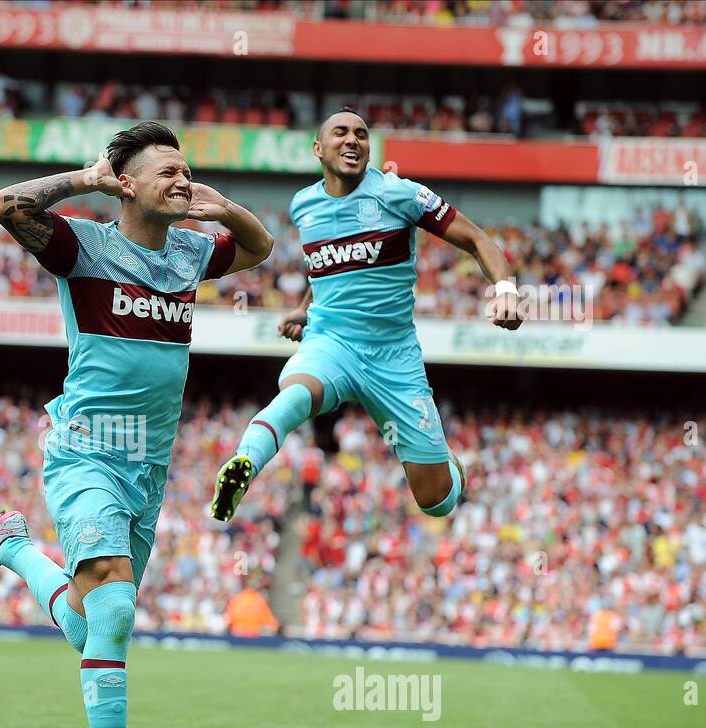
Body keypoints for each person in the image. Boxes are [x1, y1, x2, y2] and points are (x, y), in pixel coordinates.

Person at [0, 122, 273, 728]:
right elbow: (8, 205)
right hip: (86, 447)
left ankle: (13, 547)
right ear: (126, 184)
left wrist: (224, 206)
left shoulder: (189, 252)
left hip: (148, 465)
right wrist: (84, 180)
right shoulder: (86, 245)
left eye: (187, 171)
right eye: (167, 173)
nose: (181, 181)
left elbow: (260, 247)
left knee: (93, 624)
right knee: (118, 608)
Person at [211, 109, 525, 526]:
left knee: (437, 502)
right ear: (318, 149)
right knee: (297, 392)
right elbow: (326, 269)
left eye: (361, 134)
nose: (352, 140)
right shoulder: (303, 205)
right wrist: (304, 309)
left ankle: (449, 465)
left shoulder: (401, 195)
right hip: (332, 343)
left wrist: (505, 289)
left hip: (393, 357)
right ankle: (244, 462)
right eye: (340, 133)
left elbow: (476, 238)